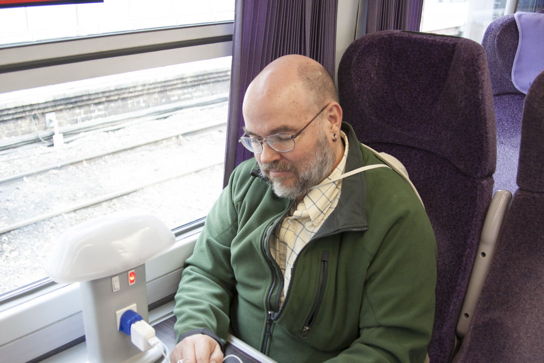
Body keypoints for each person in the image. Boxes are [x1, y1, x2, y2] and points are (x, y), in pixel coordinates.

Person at [170, 54, 437, 363]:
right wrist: (198, 331)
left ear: (331, 121)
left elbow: (391, 346)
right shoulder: (248, 182)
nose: (265, 158)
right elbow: (206, 270)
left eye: (282, 137)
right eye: (255, 139)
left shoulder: (396, 215)